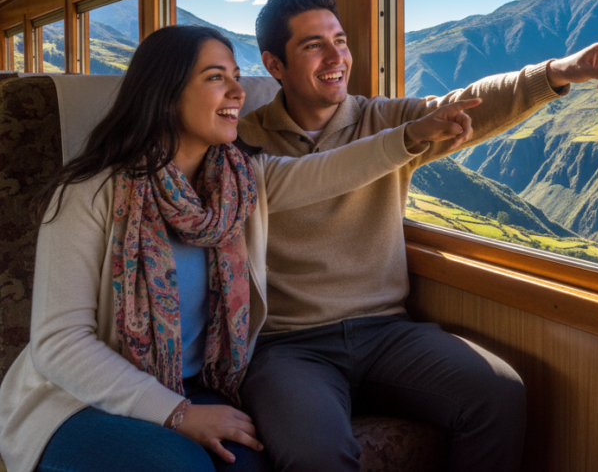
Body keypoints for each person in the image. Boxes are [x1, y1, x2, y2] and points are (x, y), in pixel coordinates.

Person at [0, 25, 479, 472]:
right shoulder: (90, 192)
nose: (238, 92)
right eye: (215, 78)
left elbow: (337, 168)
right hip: (78, 398)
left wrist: (414, 135)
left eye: (235, 76)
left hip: (192, 386)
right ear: (165, 94)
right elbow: (59, 345)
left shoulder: (241, 182)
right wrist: (177, 414)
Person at [236, 0, 598, 472]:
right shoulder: (244, 142)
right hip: (288, 346)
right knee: (316, 456)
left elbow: (467, 104)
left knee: (498, 392)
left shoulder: (380, 117)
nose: (336, 56)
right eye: (312, 45)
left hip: (385, 332)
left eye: (340, 41)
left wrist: (556, 74)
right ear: (274, 65)